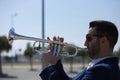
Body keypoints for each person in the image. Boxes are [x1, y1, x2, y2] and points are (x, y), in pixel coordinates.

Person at [39, 20, 120, 80]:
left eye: (88, 38)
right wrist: (56, 57)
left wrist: (46, 66)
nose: (85, 43)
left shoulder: (102, 70)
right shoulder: (99, 65)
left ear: (103, 41)